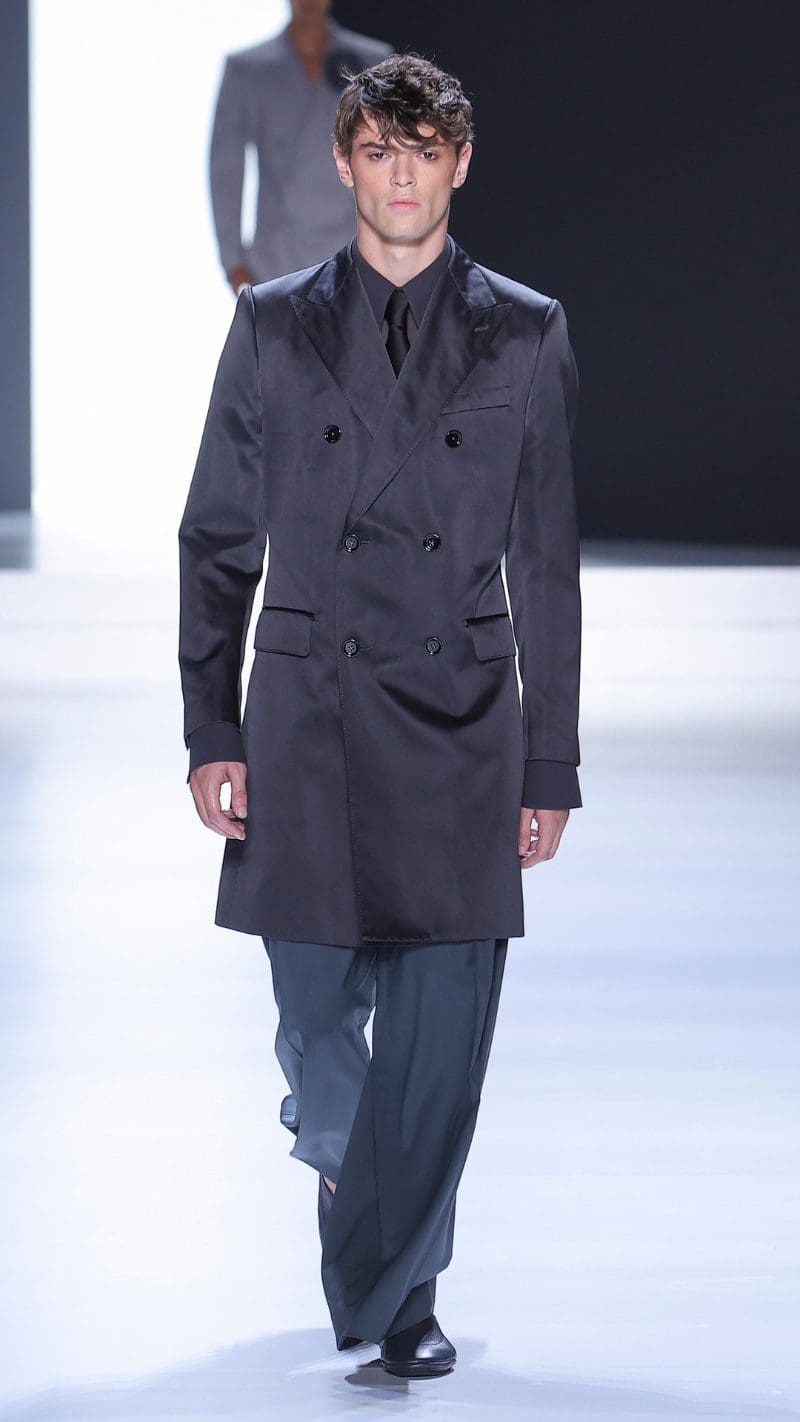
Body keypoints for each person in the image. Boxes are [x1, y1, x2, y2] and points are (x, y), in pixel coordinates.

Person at [179, 52, 583, 1377]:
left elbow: (546, 563)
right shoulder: (272, 327)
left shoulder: (524, 332)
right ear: (344, 163)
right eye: (378, 150)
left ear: (459, 163)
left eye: (424, 150)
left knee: (435, 1048)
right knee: (312, 1028)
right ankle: (385, 1230)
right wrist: (211, 727)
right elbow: (216, 538)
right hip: (305, 717)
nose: (401, 175)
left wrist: (550, 761)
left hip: (462, 722)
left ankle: (402, 1305)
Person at [209, 0, 392, 293]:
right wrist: (233, 262)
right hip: (274, 258)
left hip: (355, 256)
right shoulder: (247, 69)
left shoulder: (373, 62)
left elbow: (391, 162)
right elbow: (225, 169)